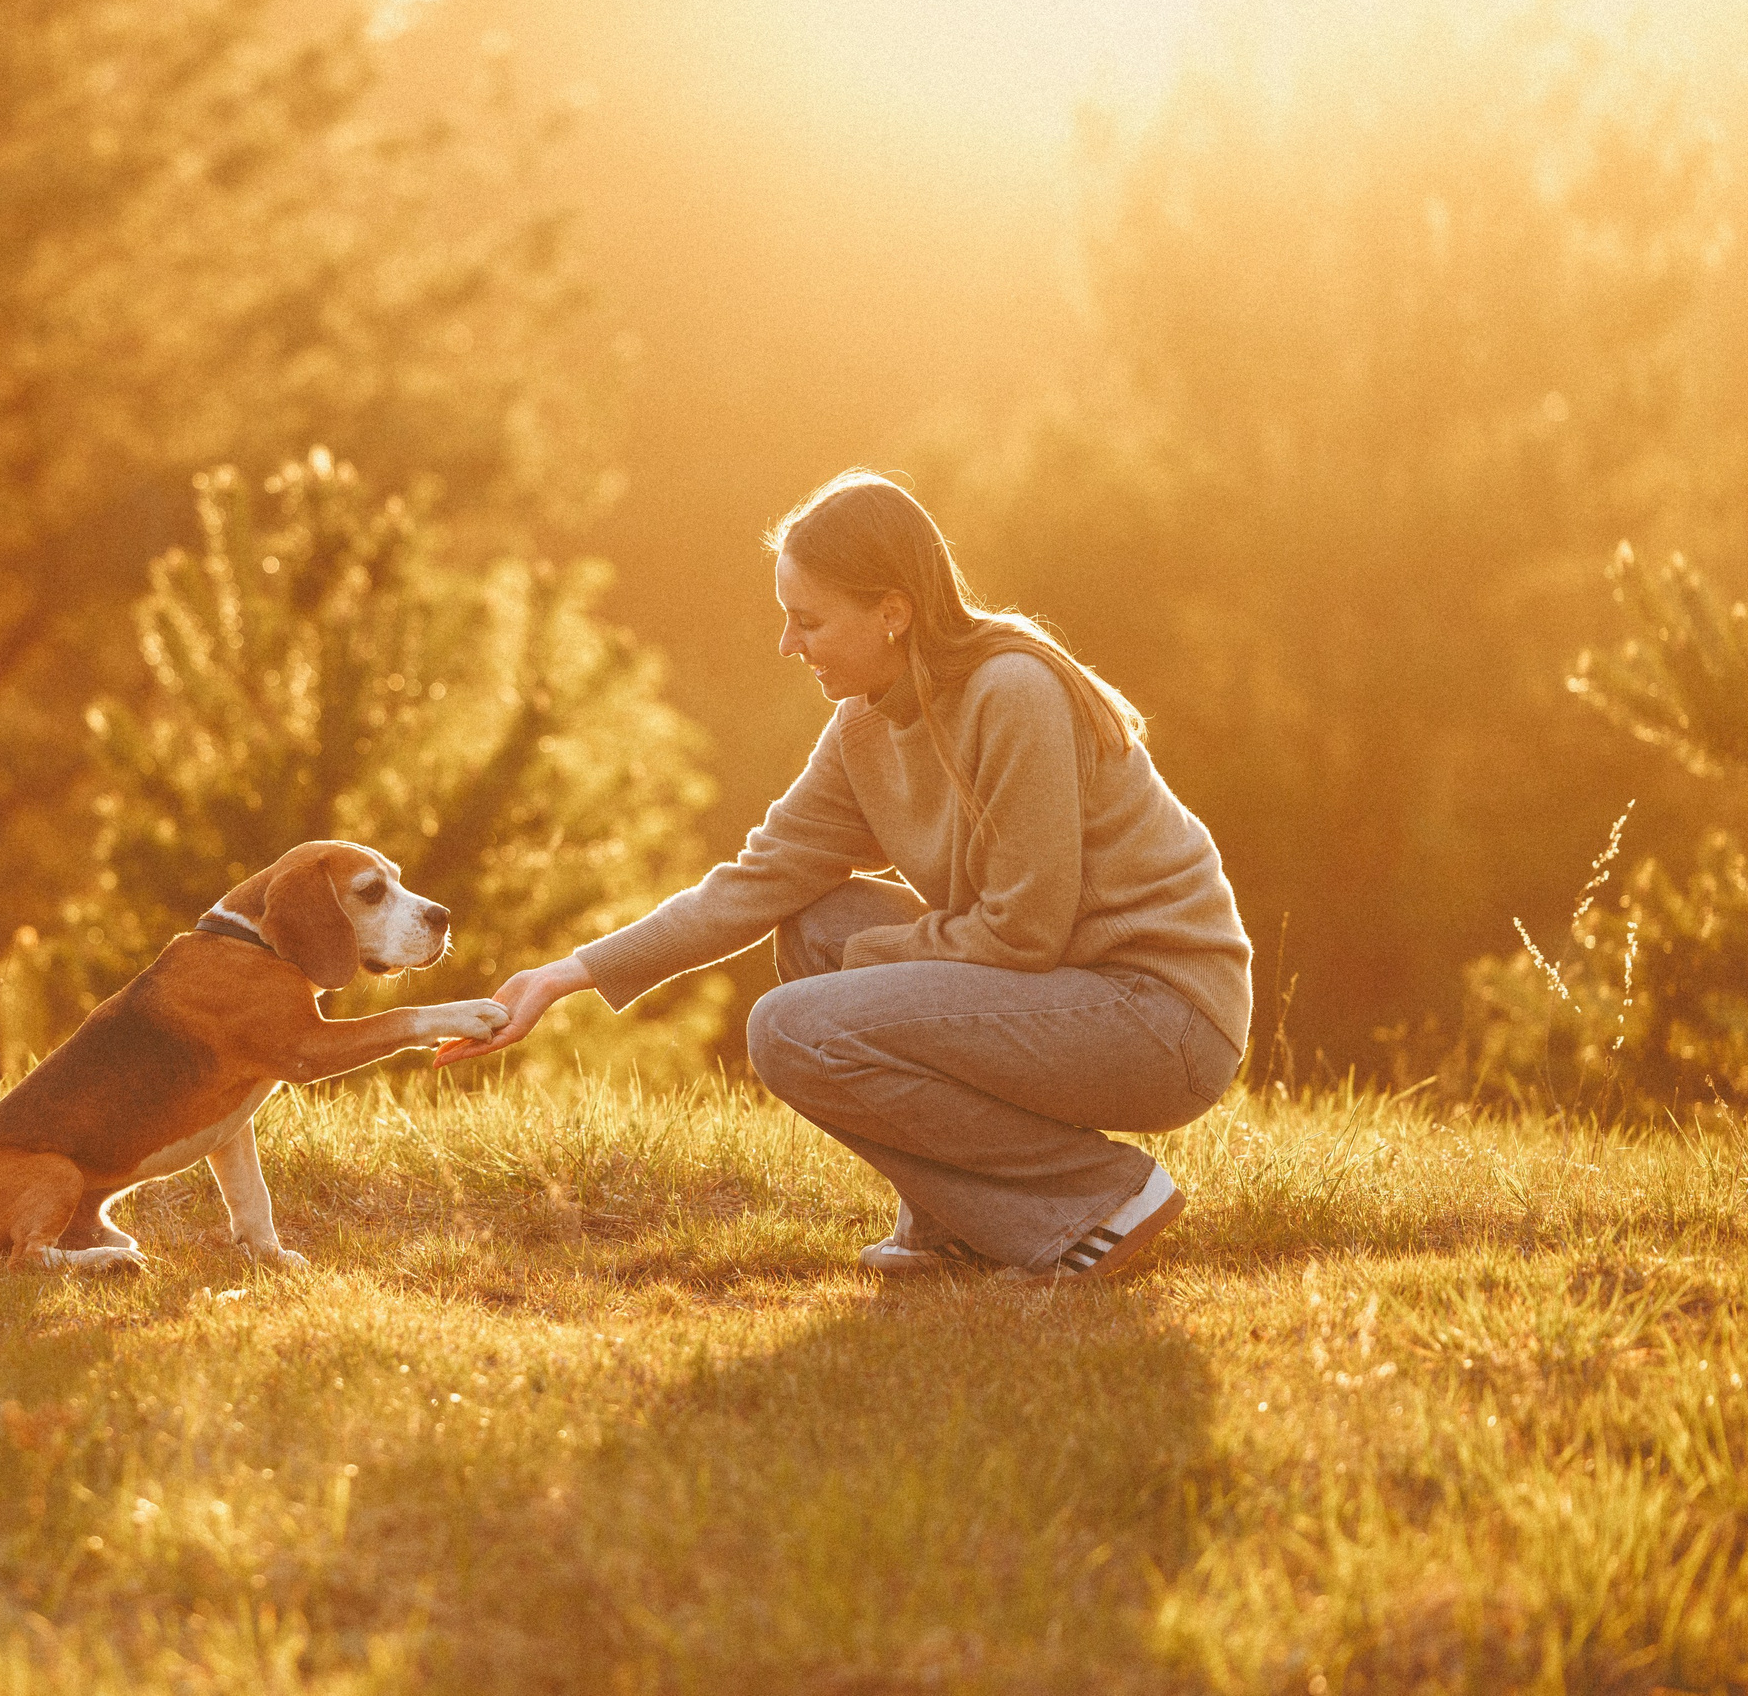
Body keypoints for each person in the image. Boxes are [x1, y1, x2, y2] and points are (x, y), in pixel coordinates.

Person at [436, 470, 1253, 1281]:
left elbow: (1025, 931)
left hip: (1160, 1016)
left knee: (787, 1026)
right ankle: (958, 1225)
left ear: (891, 612)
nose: (789, 645)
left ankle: (1100, 1200)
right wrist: (565, 976)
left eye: (809, 621)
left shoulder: (1013, 692)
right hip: (1062, 992)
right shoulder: (865, 723)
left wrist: (877, 954)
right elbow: (759, 880)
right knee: (815, 926)